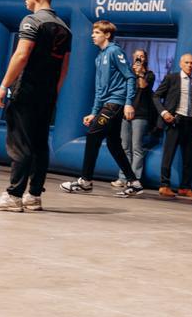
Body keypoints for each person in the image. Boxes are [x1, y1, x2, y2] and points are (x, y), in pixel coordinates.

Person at [0, 0, 71, 212]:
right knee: (40, 143)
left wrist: (4, 85)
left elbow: (22, 55)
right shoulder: (64, 27)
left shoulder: (32, 21)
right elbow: (64, 68)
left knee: (20, 143)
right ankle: (34, 195)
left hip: (28, 90)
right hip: (48, 94)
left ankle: (13, 196)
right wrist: (54, 92)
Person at [60, 21, 144, 197]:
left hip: (116, 102)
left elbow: (130, 77)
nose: (93, 35)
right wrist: (94, 112)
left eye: (97, 32)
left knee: (93, 135)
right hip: (106, 104)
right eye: (93, 32)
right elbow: (99, 89)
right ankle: (134, 182)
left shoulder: (114, 51)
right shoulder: (99, 57)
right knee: (114, 144)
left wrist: (128, 102)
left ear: (106, 35)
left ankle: (85, 181)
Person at [152, 54, 192, 198]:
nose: (189, 65)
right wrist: (164, 113)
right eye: (187, 62)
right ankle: (164, 185)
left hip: (191, 123)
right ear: (181, 64)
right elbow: (156, 96)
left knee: (189, 158)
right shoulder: (172, 78)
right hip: (175, 121)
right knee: (168, 155)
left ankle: (185, 187)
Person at [112, 49, 156, 188]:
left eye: (142, 56)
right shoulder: (127, 71)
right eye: (137, 56)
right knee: (124, 147)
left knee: (137, 147)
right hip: (125, 112)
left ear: (145, 59)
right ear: (132, 57)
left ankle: (135, 179)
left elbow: (143, 87)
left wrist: (140, 73)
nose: (139, 58)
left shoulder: (149, 74)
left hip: (141, 114)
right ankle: (123, 177)